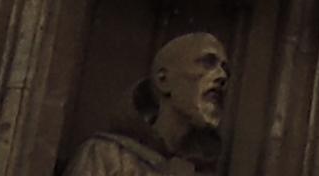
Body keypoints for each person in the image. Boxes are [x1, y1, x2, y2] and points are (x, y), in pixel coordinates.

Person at [63, 31, 228, 176]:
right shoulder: (104, 155)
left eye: (224, 68)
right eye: (207, 63)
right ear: (163, 80)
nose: (222, 76)